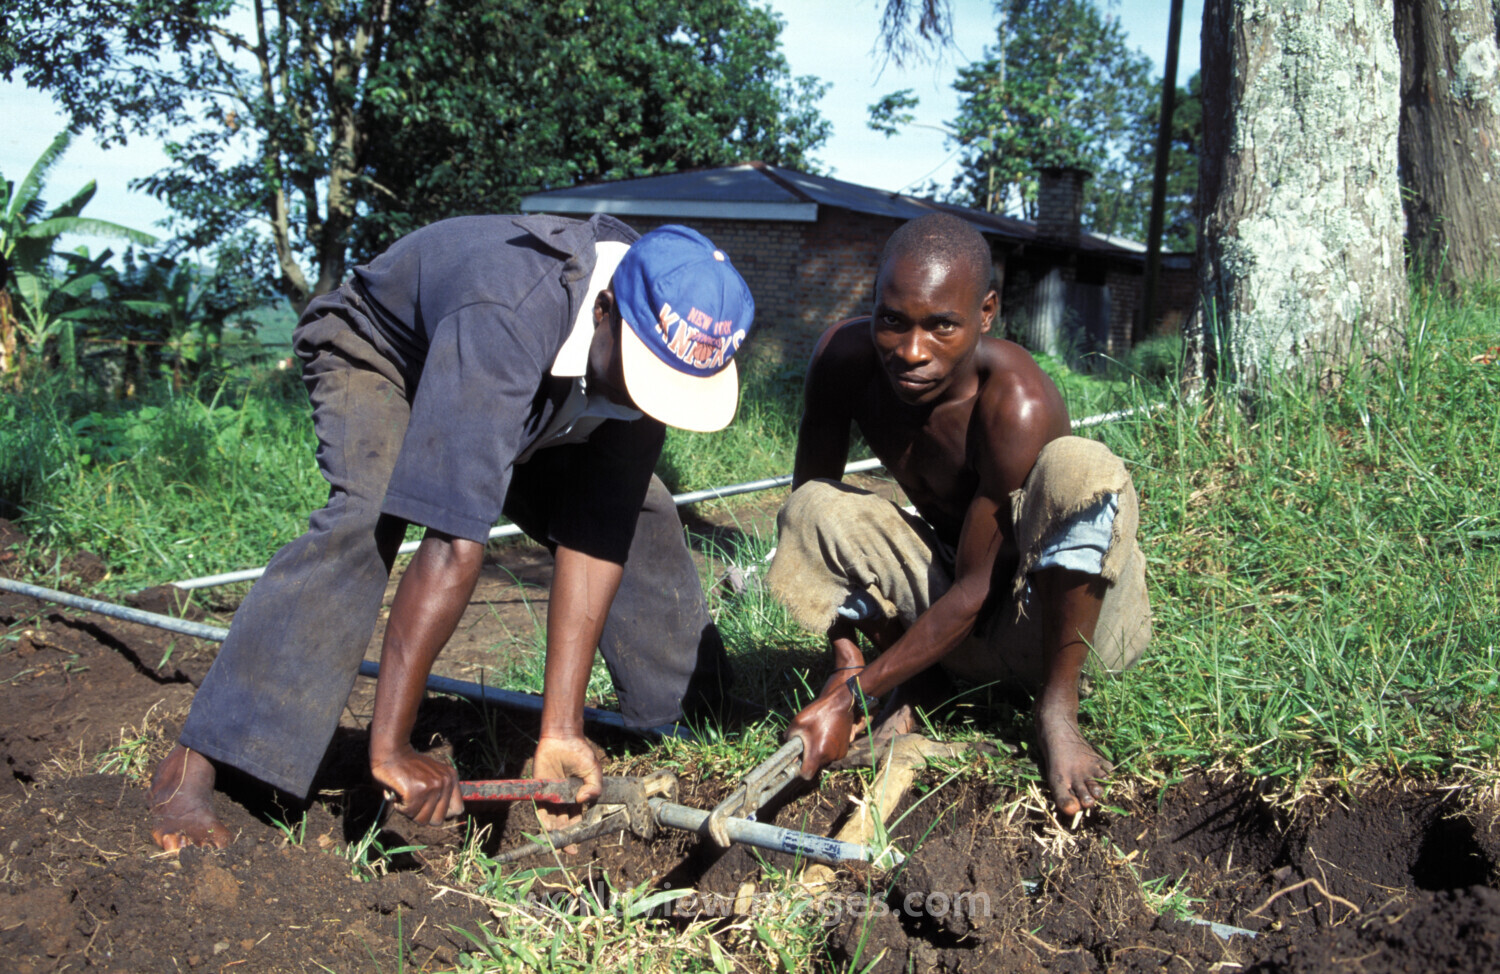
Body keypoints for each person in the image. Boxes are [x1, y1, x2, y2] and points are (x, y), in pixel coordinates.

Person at [149, 215, 755, 850]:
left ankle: (681, 721)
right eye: (641, 380)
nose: (644, 401)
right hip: (390, 359)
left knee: (637, 515)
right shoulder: (512, 305)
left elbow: (595, 532)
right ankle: (198, 762)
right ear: (605, 310)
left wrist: (561, 729)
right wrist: (392, 746)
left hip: (544, 390)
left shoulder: (667, 325)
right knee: (368, 513)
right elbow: (453, 543)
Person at [765, 212, 1150, 816]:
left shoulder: (1016, 404)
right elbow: (810, 525)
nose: (911, 351)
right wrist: (848, 664)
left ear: (986, 314)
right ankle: (918, 683)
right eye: (892, 322)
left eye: (942, 325)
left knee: (1082, 468)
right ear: (873, 306)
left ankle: (1057, 709)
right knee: (810, 503)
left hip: (1055, 626)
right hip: (950, 624)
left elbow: (977, 588)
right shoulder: (844, 359)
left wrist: (850, 703)